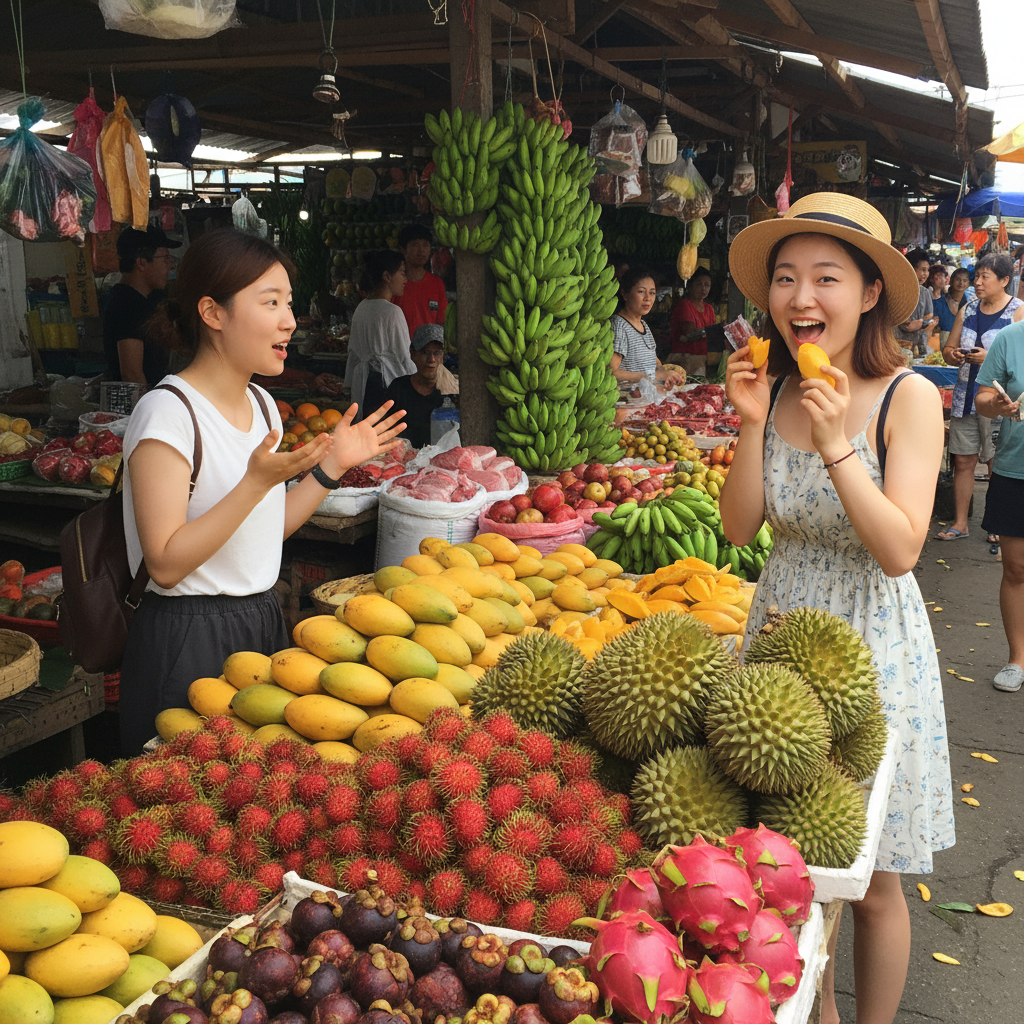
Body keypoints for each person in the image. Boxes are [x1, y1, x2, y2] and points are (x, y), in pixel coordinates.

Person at [720, 194, 954, 1024]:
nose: (801, 297)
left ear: (869, 293)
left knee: (873, 882)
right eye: (785, 278)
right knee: (791, 870)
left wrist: (835, 445)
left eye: (826, 277)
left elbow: (900, 548)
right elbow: (740, 526)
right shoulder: (778, 388)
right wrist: (752, 424)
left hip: (869, 644)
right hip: (780, 633)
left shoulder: (908, 397)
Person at [119, 229, 406, 755]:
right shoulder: (166, 413)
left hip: (260, 620)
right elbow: (164, 563)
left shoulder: (263, 405)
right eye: (270, 302)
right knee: (184, 795)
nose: (289, 321)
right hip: (186, 634)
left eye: (288, 304)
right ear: (213, 312)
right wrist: (254, 483)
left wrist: (332, 466)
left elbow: (266, 531)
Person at [936, 253, 1024, 539]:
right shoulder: (969, 309)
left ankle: (996, 525)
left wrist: (990, 359)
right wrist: (954, 355)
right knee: (963, 460)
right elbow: (947, 350)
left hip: (1000, 400)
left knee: (996, 462)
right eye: (977, 276)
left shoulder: (1018, 312)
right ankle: (960, 523)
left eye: (985, 277)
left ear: (1005, 280)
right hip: (965, 395)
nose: (978, 282)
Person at [976, 316, 1024, 691]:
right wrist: (997, 404)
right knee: (1016, 568)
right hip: (1015, 471)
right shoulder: (1009, 338)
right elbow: (982, 401)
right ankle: (1017, 659)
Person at [103, 226, 181, 385]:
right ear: (142, 263)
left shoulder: (146, 299)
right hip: (145, 398)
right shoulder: (128, 305)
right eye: (165, 259)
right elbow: (131, 374)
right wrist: (150, 400)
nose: (170, 266)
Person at [347, 250, 415, 418]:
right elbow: (404, 357)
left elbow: (353, 354)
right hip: (387, 388)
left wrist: (348, 386)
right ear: (387, 276)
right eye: (402, 273)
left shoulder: (361, 307)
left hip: (364, 388)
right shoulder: (392, 312)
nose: (405, 279)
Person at [610, 267, 685, 388]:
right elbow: (612, 372)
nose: (647, 298)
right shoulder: (619, 325)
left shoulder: (643, 325)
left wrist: (665, 373)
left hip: (648, 396)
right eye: (641, 291)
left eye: (652, 293)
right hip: (628, 397)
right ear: (625, 294)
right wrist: (648, 376)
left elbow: (653, 360)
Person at [382, 323, 446, 449]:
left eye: (437, 353)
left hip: (444, 459)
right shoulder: (398, 388)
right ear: (413, 354)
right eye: (425, 352)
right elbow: (384, 430)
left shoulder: (453, 392)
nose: (431, 359)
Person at [391, 224, 447, 337]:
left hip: (429, 347)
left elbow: (441, 322)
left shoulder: (437, 284)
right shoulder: (394, 284)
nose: (421, 250)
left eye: (425, 245)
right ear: (403, 250)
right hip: (400, 346)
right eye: (415, 245)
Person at [668, 267, 717, 376]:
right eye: (699, 284)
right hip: (685, 360)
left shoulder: (709, 308)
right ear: (690, 286)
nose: (703, 288)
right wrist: (713, 332)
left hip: (702, 360)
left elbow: (713, 335)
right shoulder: (684, 305)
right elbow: (690, 332)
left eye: (707, 285)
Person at [894, 248, 937, 357]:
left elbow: (929, 316)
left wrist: (920, 324)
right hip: (895, 346)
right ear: (910, 268)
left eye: (927, 270)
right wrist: (907, 322)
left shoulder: (925, 292)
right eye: (922, 270)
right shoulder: (895, 290)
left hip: (918, 347)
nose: (925, 274)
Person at [935, 267, 970, 348]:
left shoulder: (970, 305)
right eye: (958, 279)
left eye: (965, 280)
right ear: (951, 281)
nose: (961, 283)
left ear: (968, 284)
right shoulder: (939, 301)